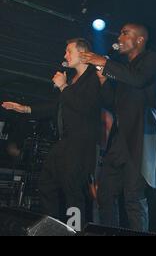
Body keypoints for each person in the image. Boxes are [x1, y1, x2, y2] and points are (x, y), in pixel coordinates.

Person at [2, 38, 101, 229]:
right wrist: (25, 109)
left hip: (81, 142)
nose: (65, 56)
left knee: (73, 190)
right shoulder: (73, 80)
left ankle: (75, 230)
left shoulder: (94, 78)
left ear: (82, 54)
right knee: (46, 183)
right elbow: (56, 105)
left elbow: (86, 107)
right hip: (65, 141)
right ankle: (53, 228)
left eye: (68, 51)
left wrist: (64, 87)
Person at [79, 23, 156, 232]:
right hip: (119, 139)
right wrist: (103, 81)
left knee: (134, 197)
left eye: (125, 33)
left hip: (140, 135)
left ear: (139, 40)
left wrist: (105, 64)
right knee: (105, 193)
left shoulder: (153, 59)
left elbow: (138, 80)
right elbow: (112, 102)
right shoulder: (123, 70)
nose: (119, 37)